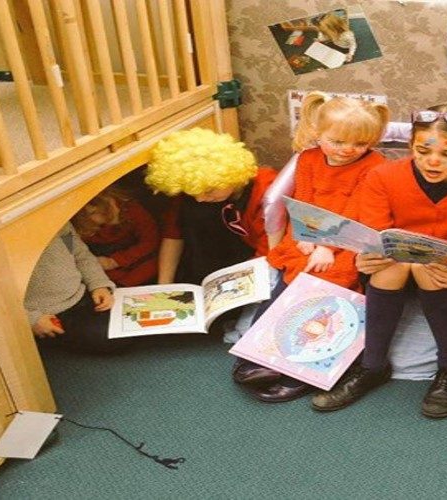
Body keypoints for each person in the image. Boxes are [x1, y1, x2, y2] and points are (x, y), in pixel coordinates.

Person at [310, 104, 447, 418]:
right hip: (390, 271)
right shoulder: (382, 175)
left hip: (446, 272)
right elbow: (375, 233)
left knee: (425, 263)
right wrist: (366, 258)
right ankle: (373, 366)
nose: (433, 161)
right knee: (399, 261)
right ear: (410, 145)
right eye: (422, 150)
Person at [231, 92, 391, 403]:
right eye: (338, 141)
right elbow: (302, 200)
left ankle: (302, 368)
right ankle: (254, 357)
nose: (348, 150)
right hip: (308, 233)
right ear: (318, 133)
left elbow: (357, 212)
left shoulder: (375, 165)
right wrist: (307, 235)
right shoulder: (307, 159)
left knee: (328, 281)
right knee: (288, 282)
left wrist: (327, 246)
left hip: (348, 239)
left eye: (359, 144)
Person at [146, 128, 277, 286]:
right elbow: (173, 234)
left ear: (229, 175)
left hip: (251, 264)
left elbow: (269, 251)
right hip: (204, 265)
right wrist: (164, 284)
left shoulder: (265, 192)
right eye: (192, 192)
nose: (200, 199)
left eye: (208, 191)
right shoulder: (195, 189)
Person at [25, 223, 124, 353]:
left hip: (81, 293)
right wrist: (31, 318)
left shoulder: (57, 223)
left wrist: (99, 285)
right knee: (109, 337)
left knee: (130, 316)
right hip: (47, 314)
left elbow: (80, 255)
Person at [71, 186, 160, 287]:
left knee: (152, 265)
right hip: (101, 264)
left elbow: (150, 241)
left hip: (135, 258)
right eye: (93, 212)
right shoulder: (79, 229)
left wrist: (115, 261)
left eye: (109, 205)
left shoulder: (131, 209)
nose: (107, 213)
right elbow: (73, 252)